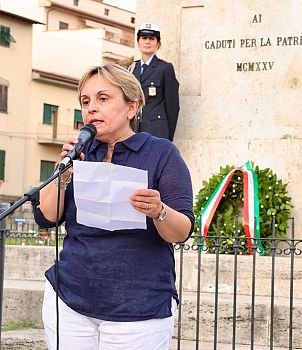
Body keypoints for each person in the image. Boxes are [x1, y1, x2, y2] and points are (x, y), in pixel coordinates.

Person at [33, 63, 194, 349]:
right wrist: (63, 175)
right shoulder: (78, 154)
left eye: (103, 99)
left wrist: (159, 211)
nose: (92, 108)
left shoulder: (161, 153)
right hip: (70, 300)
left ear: (131, 107)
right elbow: (46, 217)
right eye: (86, 101)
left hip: (138, 308)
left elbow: (181, 231)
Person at [129, 23, 180, 141]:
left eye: (152, 39)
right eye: (144, 38)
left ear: (158, 44)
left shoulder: (165, 68)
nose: (147, 42)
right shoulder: (132, 68)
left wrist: (168, 136)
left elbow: (172, 106)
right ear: (138, 42)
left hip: (156, 130)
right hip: (133, 129)